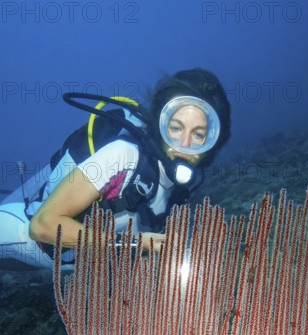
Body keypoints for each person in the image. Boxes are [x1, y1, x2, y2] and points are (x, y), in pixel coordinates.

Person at [0, 68, 231, 268]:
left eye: (199, 134)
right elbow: (42, 225)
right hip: (21, 237)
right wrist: (132, 245)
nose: (185, 145)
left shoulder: (179, 185)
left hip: (63, 262)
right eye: (176, 128)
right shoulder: (124, 155)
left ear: (213, 142)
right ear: (161, 124)